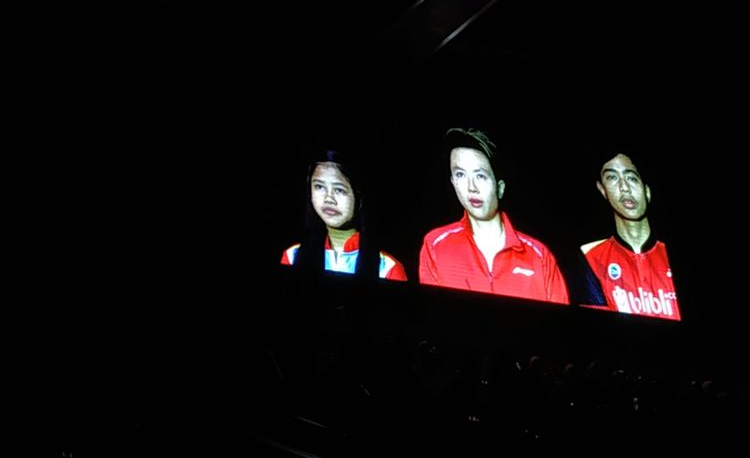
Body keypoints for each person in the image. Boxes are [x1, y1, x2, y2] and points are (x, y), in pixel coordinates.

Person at [418, 128, 569, 304]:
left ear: (500, 187)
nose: (471, 187)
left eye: (480, 176)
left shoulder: (540, 256)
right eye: (460, 175)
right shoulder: (435, 245)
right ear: (453, 182)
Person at [580, 152, 681, 320]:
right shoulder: (590, 256)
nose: (624, 187)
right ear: (603, 190)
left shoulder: (669, 254)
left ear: (647, 191)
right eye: (612, 178)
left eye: (632, 178)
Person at [281, 149, 407, 281]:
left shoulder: (386, 268)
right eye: (319, 186)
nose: (328, 198)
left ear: (359, 195)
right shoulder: (292, 257)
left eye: (339, 190)